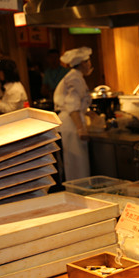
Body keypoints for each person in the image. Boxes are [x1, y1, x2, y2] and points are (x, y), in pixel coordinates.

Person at [53, 47, 94, 181]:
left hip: (71, 123)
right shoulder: (75, 78)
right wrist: (81, 129)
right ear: (82, 63)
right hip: (70, 125)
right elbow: (72, 105)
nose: (89, 64)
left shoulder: (75, 76)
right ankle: (77, 196)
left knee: (77, 166)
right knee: (77, 168)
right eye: (88, 61)